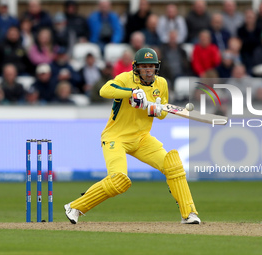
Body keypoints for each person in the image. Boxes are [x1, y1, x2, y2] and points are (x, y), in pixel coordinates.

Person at [64, 47, 200, 224]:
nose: (148, 70)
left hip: (142, 138)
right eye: (144, 67)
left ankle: (189, 214)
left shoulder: (162, 84)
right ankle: (75, 207)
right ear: (136, 67)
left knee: (172, 164)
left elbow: (164, 113)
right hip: (116, 137)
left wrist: (155, 109)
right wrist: (131, 93)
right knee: (119, 180)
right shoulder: (125, 78)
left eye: (151, 67)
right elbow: (104, 91)